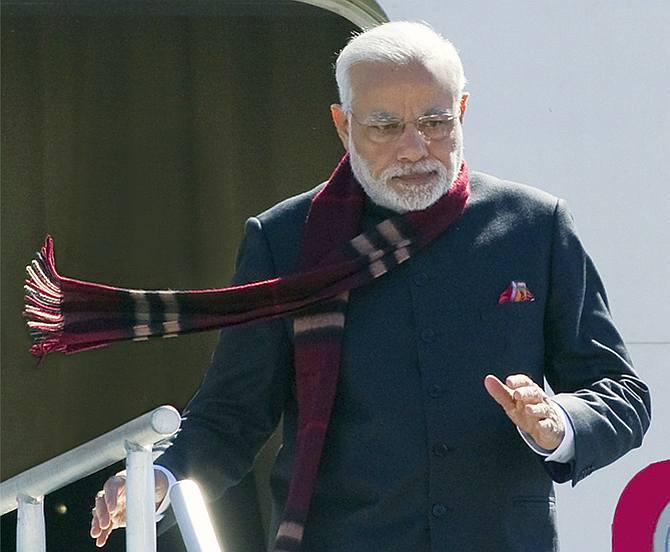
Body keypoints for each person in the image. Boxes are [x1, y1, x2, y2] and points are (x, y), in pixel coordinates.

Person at [90, 21, 651, 551]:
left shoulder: (535, 225)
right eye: (385, 126)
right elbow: (232, 414)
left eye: (434, 123)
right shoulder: (283, 241)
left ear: (462, 111)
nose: (414, 148)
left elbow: (622, 394)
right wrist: (159, 479)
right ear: (343, 124)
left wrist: (559, 424)